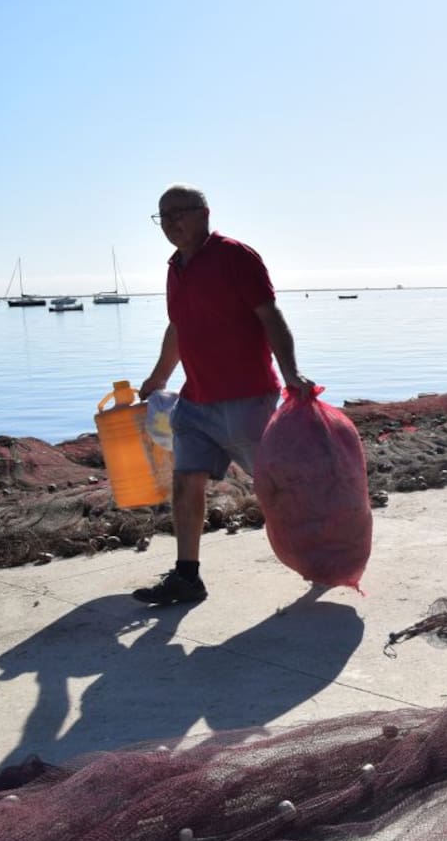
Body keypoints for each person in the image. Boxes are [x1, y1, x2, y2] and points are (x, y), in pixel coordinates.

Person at [133, 184, 315, 606]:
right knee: (185, 480)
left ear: (205, 213)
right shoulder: (174, 267)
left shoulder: (236, 256)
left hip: (247, 399)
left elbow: (270, 317)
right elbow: (179, 328)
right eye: (163, 215)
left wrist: (291, 374)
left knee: (276, 489)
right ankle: (187, 576)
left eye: (180, 211)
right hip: (195, 401)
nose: (171, 221)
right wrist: (158, 378)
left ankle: (320, 550)